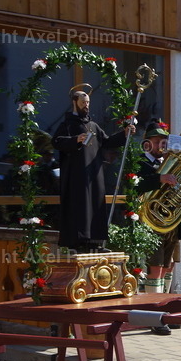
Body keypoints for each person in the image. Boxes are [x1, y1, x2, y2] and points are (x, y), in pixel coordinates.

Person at [52, 87, 135, 252]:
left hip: (94, 173)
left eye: (88, 103)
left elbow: (107, 142)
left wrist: (124, 134)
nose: (86, 106)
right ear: (75, 103)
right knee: (80, 207)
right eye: (83, 103)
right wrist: (75, 139)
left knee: (96, 204)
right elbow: (57, 142)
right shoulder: (67, 125)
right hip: (77, 175)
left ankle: (95, 242)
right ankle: (79, 242)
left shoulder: (93, 126)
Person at [135, 121, 181, 333]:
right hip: (152, 222)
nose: (161, 145)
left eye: (163, 141)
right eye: (156, 141)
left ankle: (166, 310)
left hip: (172, 222)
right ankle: (154, 317)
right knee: (155, 267)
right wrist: (159, 178)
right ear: (147, 143)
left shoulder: (172, 163)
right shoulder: (138, 163)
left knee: (168, 266)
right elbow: (134, 185)